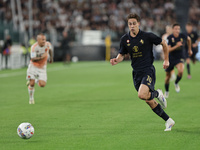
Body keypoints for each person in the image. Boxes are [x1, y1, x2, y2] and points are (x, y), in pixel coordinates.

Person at [110, 13, 175, 131]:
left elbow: (164, 43)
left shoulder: (147, 36)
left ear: (138, 23)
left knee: (142, 94)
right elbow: (122, 54)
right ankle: (168, 121)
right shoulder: (125, 39)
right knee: (148, 100)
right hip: (136, 73)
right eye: (130, 24)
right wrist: (116, 60)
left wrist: (166, 60)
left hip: (147, 70)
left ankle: (158, 93)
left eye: (134, 23)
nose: (132, 26)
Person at [164, 23, 192, 98]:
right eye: (176, 29)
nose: (177, 30)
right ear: (173, 29)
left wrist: (189, 50)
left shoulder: (182, 36)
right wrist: (176, 45)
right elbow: (168, 50)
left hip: (180, 57)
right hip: (171, 58)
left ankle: (176, 83)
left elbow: (189, 39)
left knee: (181, 71)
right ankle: (166, 91)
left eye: (178, 29)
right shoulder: (170, 37)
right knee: (167, 77)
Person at [26, 33, 53, 104]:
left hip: (42, 67)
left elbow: (50, 50)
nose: (44, 41)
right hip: (33, 66)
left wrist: (51, 58)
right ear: (38, 40)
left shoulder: (47, 44)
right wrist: (42, 57)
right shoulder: (34, 47)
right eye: (42, 40)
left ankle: (36, 80)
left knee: (42, 85)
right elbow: (33, 59)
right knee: (31, 84)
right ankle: (31, 99)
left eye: (45, 39)